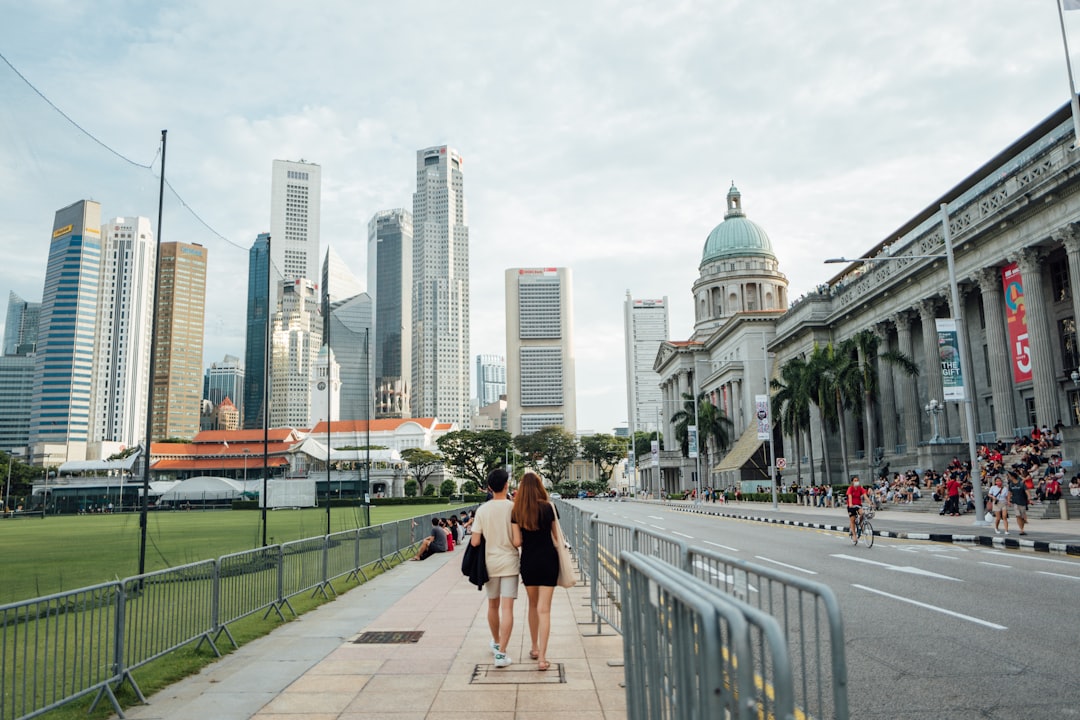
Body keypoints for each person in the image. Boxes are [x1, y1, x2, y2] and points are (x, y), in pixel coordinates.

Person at [470, 468, 520, 668]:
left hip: (489, 563)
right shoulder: (513, 508)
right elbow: (517, 541)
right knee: (507, 608)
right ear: (506, 485)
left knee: (492, 606)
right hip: (509, 562)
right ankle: (501, 653)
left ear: (489, 487)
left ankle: (496, 642)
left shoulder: (483, 510)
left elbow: (474, 542)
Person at [511, 471, 560, 671]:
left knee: (532, 605)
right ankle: (543, 658)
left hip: (529, 561)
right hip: (549, 560)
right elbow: (556, 537)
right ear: (540, 487)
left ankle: (534, 647)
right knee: (545, 609)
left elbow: (517, 542)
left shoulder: (517, 511)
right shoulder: (549, 508)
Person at [1007, 470, 1029, 536]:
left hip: (1022, 502)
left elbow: (1027, 491)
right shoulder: (1010, 485)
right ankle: (1021, 530)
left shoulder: (1021, 484)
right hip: (1015, 502)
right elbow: (1009, 493)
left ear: (1013, 477)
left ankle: (1022, 528)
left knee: (1022, 517)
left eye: (1009, 476)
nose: (1008, 477)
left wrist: (1029, 498)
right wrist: (1008, 501)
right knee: (1017, 516)